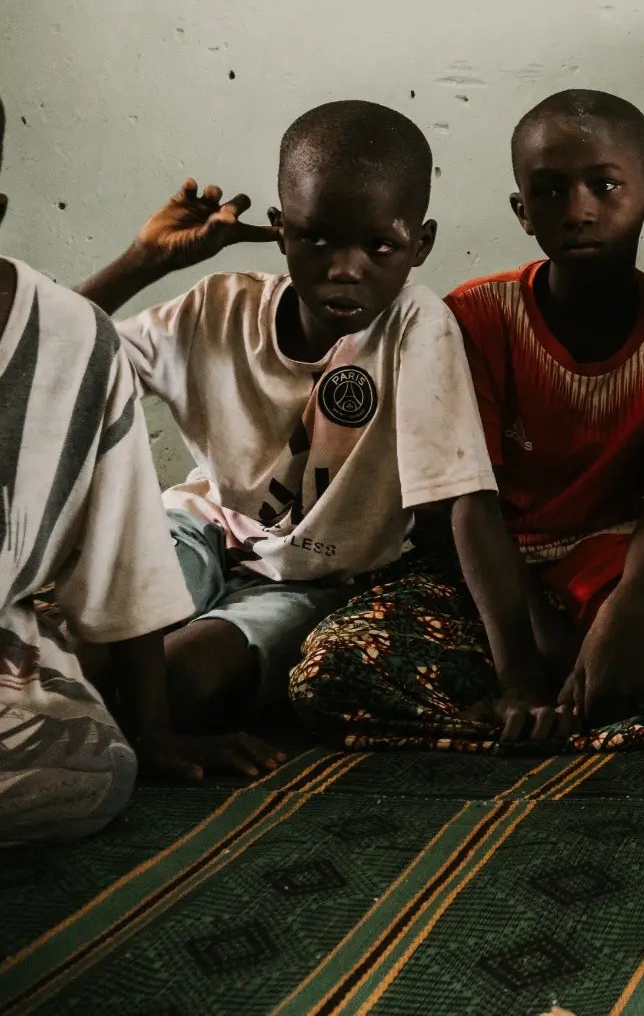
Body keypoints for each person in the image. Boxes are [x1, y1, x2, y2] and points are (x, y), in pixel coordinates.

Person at [75, 101, 566, 744]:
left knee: (180, 685)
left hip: (313, 577)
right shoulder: (216, 309)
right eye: (316, 238)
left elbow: (464, 502)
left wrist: (521, 683)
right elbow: (58, 358)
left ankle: (115, 733)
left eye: (379, 246)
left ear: (420, 245)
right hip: (197, 529)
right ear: (281, 230)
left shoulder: (414, 326)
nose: (344, 267)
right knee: (78, 653)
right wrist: (144, 261)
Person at [288, 91, 644, 748]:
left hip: (613, 546)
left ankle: (596, 667)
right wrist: (525, 671)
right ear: (522, 210)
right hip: (486, 557)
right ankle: (560, 681)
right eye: (549, 192)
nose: (578, 211)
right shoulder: (478, 318)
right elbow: (470, 507)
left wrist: (619, 619)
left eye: (604, 184)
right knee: (335, 665)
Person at [0, 109, 280, 842]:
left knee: (90, 771)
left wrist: (150, 738)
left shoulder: (77, 341)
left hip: (280, 572)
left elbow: (125, 557)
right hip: (201, 536)